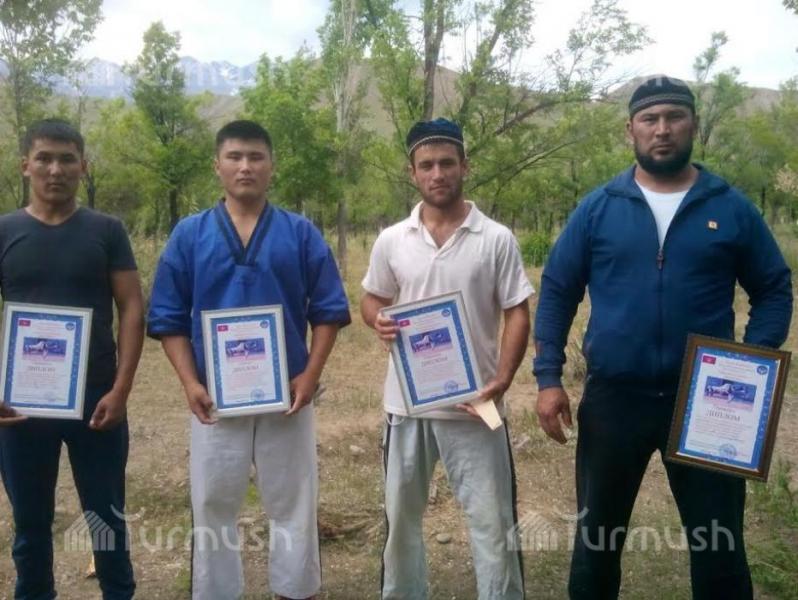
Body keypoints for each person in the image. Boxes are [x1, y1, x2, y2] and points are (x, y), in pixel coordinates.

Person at [533, 76, 793, 599]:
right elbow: (558, 290)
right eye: (650, 119)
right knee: (597, 541)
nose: (662, 129)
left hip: (708, 400)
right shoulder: (600, 207)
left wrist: (750, 362)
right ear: (630, 129)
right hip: (614, 399)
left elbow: (774, 288)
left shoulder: (729, 206)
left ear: (693, 124)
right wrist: (548, 378)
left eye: (674, 117)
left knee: (719, 543)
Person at [147, 119, 350, 600]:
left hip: (287, 396)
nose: (245, 166)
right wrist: (189, 382)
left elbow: (327, 310)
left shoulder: (300, 233)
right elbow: (168, 317)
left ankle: (295, 591)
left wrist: (310, 375)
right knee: (212, 502)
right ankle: (216, 592)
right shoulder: (189, 235)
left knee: (294, 499)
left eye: (256, 157)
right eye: (234, 157)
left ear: (271, 166)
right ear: (217, 165)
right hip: (214, 398)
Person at [361, 118, 533, 599]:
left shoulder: (495, 238)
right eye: (427, 165)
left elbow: (518, 312)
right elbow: (372, 299)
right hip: (407, 405)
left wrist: (502, 379)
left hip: (476, 404)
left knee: (492, 520)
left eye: (447, 163)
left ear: (464, 166)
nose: (437, 173)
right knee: (400, 521)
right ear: (412, 172)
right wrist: (378, 319)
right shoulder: (392, 239)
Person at [0, 119, 144, 599]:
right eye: (44, 158)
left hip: (97, 401)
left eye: (66, 159)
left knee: (106, 518)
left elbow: (131, 307)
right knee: (30, 523)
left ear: (83, 166)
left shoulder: (106, 231)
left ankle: (118, 593)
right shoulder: (5, 231)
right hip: (20, 407)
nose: (55, 169)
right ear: (25, 165)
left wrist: (121, 390)